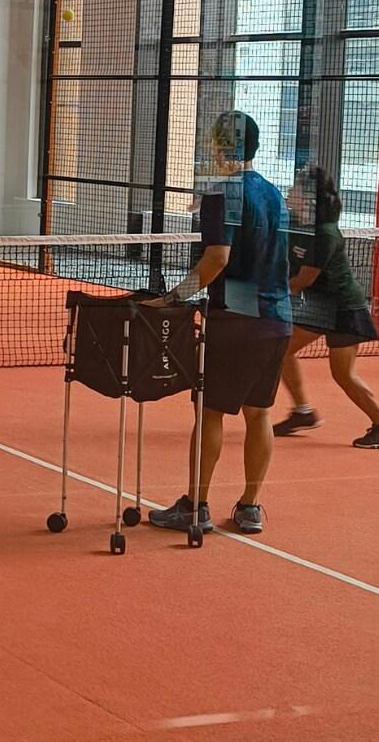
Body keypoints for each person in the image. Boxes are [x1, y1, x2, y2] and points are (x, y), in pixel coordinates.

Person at [147, 111, 291, 536]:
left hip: (234, 321)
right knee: (259, 413)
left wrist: (174, 297)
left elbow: (217, 259)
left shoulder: (219, 194)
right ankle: (250, 506)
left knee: (209, 413)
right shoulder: (274, 194)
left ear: (218, 146)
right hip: (276, 320)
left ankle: (195, 505)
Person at [274, 165, 379, 448]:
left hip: (345, 308)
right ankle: (303, 412)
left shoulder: (325, 234)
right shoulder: (298, 225)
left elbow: (304, 279)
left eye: (295, 189)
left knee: (343, 374)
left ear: (308, 197)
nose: (289, 192)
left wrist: (267, 291)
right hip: (321, 306)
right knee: (283, 348)